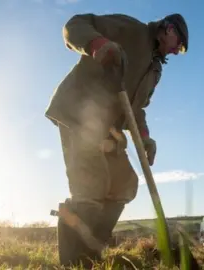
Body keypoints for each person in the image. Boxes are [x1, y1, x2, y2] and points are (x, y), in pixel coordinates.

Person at [44, 12, 189, 268]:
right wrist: (97, 44)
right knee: (90, 186)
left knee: (125, 184)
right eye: (179, 43)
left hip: (109, 130)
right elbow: (74, 25)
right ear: (169, 28)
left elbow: (137, 109)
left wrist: (144, 138)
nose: (177, 51)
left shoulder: (155, 70)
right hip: (81, 112)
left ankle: (90, 249)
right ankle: (73, 262)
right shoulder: (131, 30)